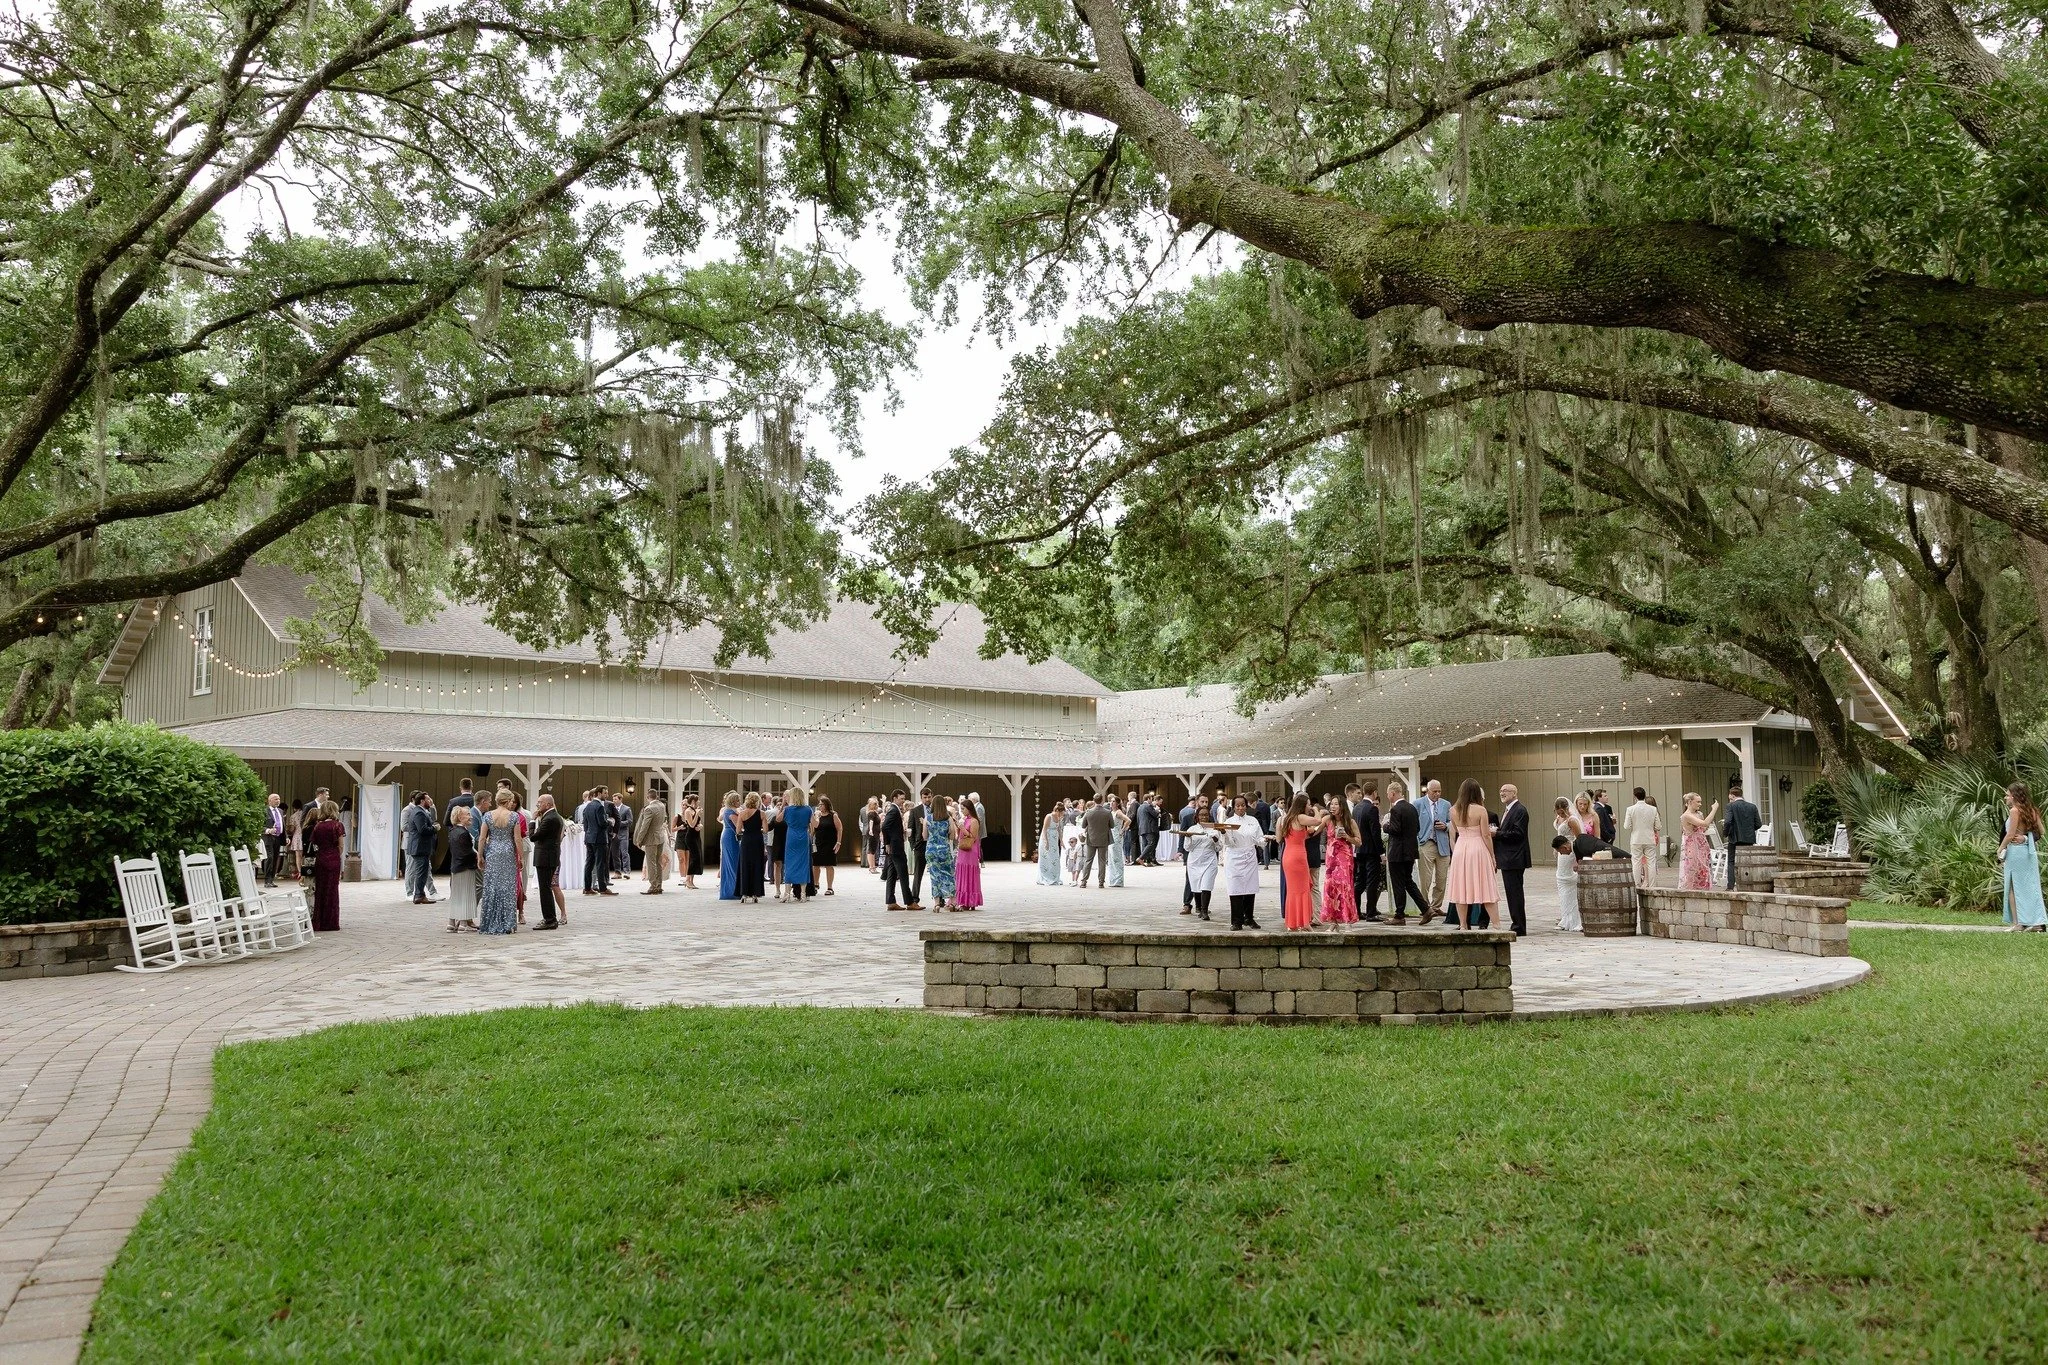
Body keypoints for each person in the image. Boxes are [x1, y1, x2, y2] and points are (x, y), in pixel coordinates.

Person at [1444, 779, 1498, 930]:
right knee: (1485, 887)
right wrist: (1492, 856)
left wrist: (1456, 851)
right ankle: (1496, 924)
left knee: (1461, 887)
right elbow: (1486, 835)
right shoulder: (1480, 810)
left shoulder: (1453, 810)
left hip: (1461, 848)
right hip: (1478, 847)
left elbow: (1453, 832)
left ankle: (1463, 925)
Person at [474, 790, 523, 934]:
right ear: (508, 801)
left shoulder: (488, 816)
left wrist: (480, 856)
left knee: (492, 885)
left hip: (493, 852)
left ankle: (489, 922)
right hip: (507, 852)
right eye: (511, 801)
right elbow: (517, 839)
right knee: (507, 887)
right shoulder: (513, 816)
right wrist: (521, 856)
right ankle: (507, 923)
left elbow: (482, 838)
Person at [1211, 797, 1264, 930]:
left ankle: (1249, 918)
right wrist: (1224, 833)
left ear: (1246, 806)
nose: (1240, 808)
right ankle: (1236, 921)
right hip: (1234, 856)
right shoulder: (1229, 822)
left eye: (1243, 805)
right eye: (1237, 806)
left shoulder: (1253, 821)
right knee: (1235, 889)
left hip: (1250, 856)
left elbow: (1259, 837)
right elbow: (1228, 843)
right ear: (1233, 807)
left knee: (1250, 888)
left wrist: (1264, 840)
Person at [1382, 781, 1430, 924]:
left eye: (1388, 794)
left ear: (1392, 793)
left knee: (1398, 884)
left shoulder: (1396, 809)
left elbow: (1395, 830)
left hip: (1397, 853)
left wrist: (1385, 826)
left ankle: (1399, 916)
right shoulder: (1412, 808)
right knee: (1409, 882)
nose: (1388, 797)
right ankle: (1426, 909)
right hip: (1410, 851)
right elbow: (1417, 828)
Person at [2002, 781, 2047, 931]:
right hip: (2029, 853)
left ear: (2014, 796)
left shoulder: (2014, 811)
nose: (2005, 797)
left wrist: (2000, 849)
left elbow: (2010, 834)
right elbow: (2042, 832)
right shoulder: (2032, 810)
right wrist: (2027, 838)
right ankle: (2037, 922)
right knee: (2031, 886)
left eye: (2007, 794)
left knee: (2012, 887)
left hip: (2016, 852)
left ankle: (2018, 923)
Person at [1277, 794, 1326, 931]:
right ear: (1302, 805)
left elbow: (1279, 838)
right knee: (1303, 889)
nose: (1310, 806)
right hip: (1298, 857)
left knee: (1293, 891)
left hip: (1288, 855)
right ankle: (1304, 922)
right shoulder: (1299, 817)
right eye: (1309, 804)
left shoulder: (1286, 819)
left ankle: (1292, 923)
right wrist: (1317, 809)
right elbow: (1317, 821)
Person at [1491, 783, 1531, 936]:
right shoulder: (1509, 810)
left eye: (1506, 791)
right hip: (1508, 858)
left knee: (1515, 893)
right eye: (1501, 791)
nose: (1502, 793)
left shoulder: (1520, 810)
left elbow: (1518, 833)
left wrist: (1497, 834)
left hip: (1514, 858)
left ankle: (1519, 926)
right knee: (1511, 893)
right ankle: (1517, 923)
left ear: (1514, 793)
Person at [306, 800, 345, 932]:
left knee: (321, 890)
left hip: (321, 858)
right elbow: (341, 846)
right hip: (333, 858)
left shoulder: (318, 826)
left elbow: (315, 842)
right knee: (332, 890)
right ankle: (331, 922)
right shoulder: (338, 825)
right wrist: (336, 855)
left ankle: (319, 921)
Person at [1415, 779, 1452, 917]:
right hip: (1426, 842)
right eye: (1434, 791)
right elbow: (1414, 823)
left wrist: (1446, 826)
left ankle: (1436, 906)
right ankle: (1425, 907)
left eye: (1439, 791)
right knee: (1426, 878)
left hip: (1442, 843)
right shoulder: (1418, 804)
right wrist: (1417, 840)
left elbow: (1452, 821)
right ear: (1428, 791)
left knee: (1442, 878)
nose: (1437, 794)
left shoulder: (1446, 804)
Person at [1322, 801, 1359, 927]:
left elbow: (1359, 842)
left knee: (1345, 885)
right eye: (1331, 804)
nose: (1333, 807)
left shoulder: (1350, 822)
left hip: (1344, 858)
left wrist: (1347, 836)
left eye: (1336, 804)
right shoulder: (1327, 820)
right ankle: (1333, 922)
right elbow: (1314, 831)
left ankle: (1348, 920)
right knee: (1330, 887)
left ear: (1342, 806)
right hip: (1331, 858)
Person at [531, 794, 566, 928]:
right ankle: (550, 918)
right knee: (546, 888)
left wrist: (532, 821)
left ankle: (550, 919)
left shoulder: (550, 818)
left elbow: (534, 836)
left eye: (540, 802)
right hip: (548, 857)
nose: (538, 805)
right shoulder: (552, 816)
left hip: (546, 858)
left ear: (548, 804)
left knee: (545, 890)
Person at [1620, 786, 1663, 890]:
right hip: (1649, 838)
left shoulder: (1630, 809)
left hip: (1636, 838)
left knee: (1636, 862)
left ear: (1635, 796)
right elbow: (1658, 826)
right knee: (1651, 862)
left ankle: (1637, 884)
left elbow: (1627, 826)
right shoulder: (1653, 809)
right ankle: (1652, 885)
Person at [445, 805, 478, 933]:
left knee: (456, 895)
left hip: (455, 867)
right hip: (465, 867)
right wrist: (478, 856)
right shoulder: (463, 833)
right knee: (466, 894)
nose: (470, 817)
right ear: (460, 817)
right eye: (468, 814)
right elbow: (467, 852)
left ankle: (451, 922)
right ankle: (463, 923)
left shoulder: (453, 831)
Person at [402, 791, 439, 904]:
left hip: (421, 847)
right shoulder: (418, 812)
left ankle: (420, 894)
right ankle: (417, 895)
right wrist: (434, 828)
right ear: (422, 801)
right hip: (419, 847)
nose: (430, 801)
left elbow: (430, 819)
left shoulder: (422, 811)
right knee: (419, 871)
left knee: (422, 871)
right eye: (428, 799)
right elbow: (422, 829)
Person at [1722, 784, 1762, 888]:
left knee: (1731, 861)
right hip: (1749, 839)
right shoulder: (1752, 807)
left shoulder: (1730, 806)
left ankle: (1730, 886)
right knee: (1747, 861)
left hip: (1734, 839)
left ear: (1732, 796)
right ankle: (1747, 884)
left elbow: (1727, 822)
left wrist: (1726, 833)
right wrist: (1747, 830)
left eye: (1729, 796)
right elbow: (1758, 824)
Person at [1677, 792, 1719, 890]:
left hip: (1702, 843)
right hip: (1692, 845)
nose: (1700, 804)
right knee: (1693, 868)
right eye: (1698, 802)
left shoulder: (1699, 814)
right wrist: (1714, 809)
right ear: (1690, 802)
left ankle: (1704, 890)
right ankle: (1691, 890)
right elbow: (1704, 823)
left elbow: (1703, 828)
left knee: (1703, 867)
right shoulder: (1686, 816)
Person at [1183, 817, 1222, 921]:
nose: (1203, 817)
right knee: (1196, 886)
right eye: (1201, 814)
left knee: (1206, 885)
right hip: (1194, 861)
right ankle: (1199, 908)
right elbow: (1187, 848)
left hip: (1209, 860)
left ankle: (1205, 911)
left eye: (1206, 814)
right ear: (1197, 817)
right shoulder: (1192, 829)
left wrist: (1216, 840)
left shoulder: (1214, 830)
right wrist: (1188, 838)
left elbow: (1219, 847)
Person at [882, 790, 915, 910]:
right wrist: (887, 843)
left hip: (893, 846)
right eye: (901, 798)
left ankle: (890, 901)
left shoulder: (894, 810)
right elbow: (885, 826)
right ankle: (910, 902)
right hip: (896, 846)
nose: (903, 801)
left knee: (892, 873)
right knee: (903, 873)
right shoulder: (894, 810)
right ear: (895, 798)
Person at [782, 788, 815, 902]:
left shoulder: (788, 809)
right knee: (803, 863)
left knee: (789, 863)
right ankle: (803, 893)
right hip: (803, 837)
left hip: (791, 836)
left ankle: (787, 893)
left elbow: (778, 819)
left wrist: (783, 805)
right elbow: (814, 824)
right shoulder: (808, 809)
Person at [633, 792, 670, 894]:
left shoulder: (649, 808)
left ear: (648, 797)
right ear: (657, 796)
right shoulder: (662, 805)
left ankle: (653, 886)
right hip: (660, 837)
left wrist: (639, 839)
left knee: (651, 862)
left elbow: (645, 826)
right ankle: (659, 885)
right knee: (658, 862)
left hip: (651, 838)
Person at [925, 795, 957, 910]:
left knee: (934, 876)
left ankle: (937, 903)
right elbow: (953, 836)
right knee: (949, 874)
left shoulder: (928, 818)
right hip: (944, 849)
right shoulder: (948, 818)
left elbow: (924, 836)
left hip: (931, 850)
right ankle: (953, 901)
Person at [581, 786, 615, 895]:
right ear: (599, 794)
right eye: (605, 793)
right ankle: (603, 888)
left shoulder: (588, 806)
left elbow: (585, 824)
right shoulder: (599, 807)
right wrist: (610, 821)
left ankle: (587, 888)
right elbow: (602, 823)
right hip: (599, 839)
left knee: (589, 863)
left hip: (589, 838)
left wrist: (588, 834)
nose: (607, 795)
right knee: (601, 863)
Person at [737, 792, 767, 903]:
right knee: (757, 865)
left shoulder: (742, 813)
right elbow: (765, 830)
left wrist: (746, 830)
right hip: (757, 839)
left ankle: (744, 893)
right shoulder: (762, 813)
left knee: (745, 865)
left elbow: (738, 830)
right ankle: (755, 893)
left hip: (746, 839)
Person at [953, 799, 983, 911]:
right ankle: (963, 900)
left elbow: (973, 837)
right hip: (962, 850)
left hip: (971, 851)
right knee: (962, 874)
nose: (962, 811)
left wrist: (963, 829)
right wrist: (958, 827)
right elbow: (958, 836)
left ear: (969, 809)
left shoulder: (974, 821)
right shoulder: (964, 819)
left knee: (969, 874)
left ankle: (971, 901)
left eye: (963, 809)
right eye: (961, 809)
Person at [1550, 835, 1583, 932]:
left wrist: (1577, 859)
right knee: (1562, 888)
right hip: (1562, 849)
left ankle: (1575, 920)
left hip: (1569, 851)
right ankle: (1566, 919)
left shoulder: (1572, 820)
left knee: (1569, 886)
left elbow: (1578, 838)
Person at [1082, 796, 1115, 888]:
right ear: (1102, 801)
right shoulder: (1107, 812)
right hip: (1103, 839)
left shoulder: (1088, 812)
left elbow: (1083, 825)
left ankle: (1084, 881)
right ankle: (1101, 882)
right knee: (1102, 861)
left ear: (1093, 801)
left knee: (1088, 860)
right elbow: (1112, 825)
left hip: (1091, 839)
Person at [717, 792, 743, 900]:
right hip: (731, 837)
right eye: (737, 800)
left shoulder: (727, 810)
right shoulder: (731, 812)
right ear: (733, 801)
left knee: (729, 862)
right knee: (733, 863)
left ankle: (729, 890)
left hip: (727, 835)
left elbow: (720, 818)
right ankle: (733, 891)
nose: (739, 802)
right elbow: (739, 827)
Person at [812, 796, 840, 895]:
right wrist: (814, 816)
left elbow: (839, 828)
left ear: (826, 804)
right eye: (819, 804)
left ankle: (830, 887)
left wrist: (838, 842)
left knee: (829, 864)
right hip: (818, 842)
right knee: (816, 865)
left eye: (821, 804)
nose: (820, 806)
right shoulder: (817, 815)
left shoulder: (833, 815)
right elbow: (814, 827)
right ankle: (815, 884)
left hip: (830, 842)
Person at [675, 795, 703, 890]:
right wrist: (697, 815)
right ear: (693, 801)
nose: (699, 802)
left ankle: (691, 880)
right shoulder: (688, 811)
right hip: (690, 837)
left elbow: (698, 823)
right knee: (693, 859)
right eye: (697, 800)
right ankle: (687, 879)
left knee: (697, 858)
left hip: (696, 836)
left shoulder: (695, 810)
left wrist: (700, 826)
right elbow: (691, 824)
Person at [907, 792, 931, 905]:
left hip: (933, 844)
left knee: (936, 873)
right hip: (920, 845)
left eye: (929, 797)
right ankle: (914, 898)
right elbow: (910, 829)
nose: (927, 799)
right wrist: (913, 845)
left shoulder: (936, 809)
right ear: (921, 798)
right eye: (925, 797)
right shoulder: (915, 811)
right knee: (918, 873)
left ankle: (940, 898)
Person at [260, 793, 287, 887]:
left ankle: (271, 879)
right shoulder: (264, 811)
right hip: (268, 837)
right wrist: (268, 830)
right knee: (269, 857)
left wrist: (286, 837)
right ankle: (267, 880)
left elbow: (283, 824)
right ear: (270, 800)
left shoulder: (280, 811)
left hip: (278, 837)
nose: (278, 801)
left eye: (279, 799)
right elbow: (259, 825)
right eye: (275, 799)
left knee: (276, 858)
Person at [1037, 804, 1063, 886]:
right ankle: (1045, 876)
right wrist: (1046, 842)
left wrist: (1061, 841)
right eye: (1061, 812)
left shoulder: (1059, 818)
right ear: (1057, 811)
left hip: (1054, 840)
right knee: (1046, 858)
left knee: (1054, 858)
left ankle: (1054, 877)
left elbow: (1059, 829)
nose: (1062, 815)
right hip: (1047, 838)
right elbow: (1044, 830)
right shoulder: (1049, 816)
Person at [1106, 797, 1129, 887]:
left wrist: (1122, 830)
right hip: (1111, 835)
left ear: (1117, 803)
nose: (1111, 803)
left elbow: (1128, 820)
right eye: (1111, 801)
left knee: (1116, 858)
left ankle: (1118, 880)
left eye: (1113, 801)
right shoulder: (1111, 812)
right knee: (1111, 858)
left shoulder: (1118, 812)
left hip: (1116, 836)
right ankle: (1113, 879)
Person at [1135, 792, 1159, 866]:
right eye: (1151, 799)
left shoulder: (1140, 807)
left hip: (1142, 828)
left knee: (1145, 845)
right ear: (1148, 799)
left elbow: (1138, 818)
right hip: (1149, 828)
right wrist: (1157, 810)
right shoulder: (1148, 806)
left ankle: (1147, 861)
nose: (1151, 801)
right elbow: (1155, 814)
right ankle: (1141, 858)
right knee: (1151, 843)